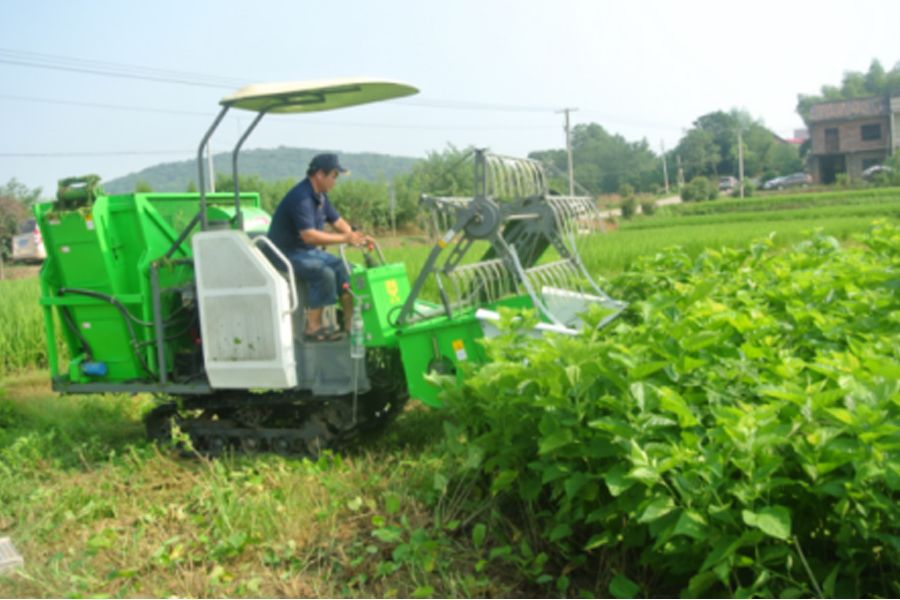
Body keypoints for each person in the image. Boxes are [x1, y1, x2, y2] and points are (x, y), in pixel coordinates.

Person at [266, 153, 373, 342]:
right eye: (334, 176)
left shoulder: (320, 197)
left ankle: (350, 324)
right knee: (324, 273)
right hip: (285, 252)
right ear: (320, 174)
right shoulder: (301, 198)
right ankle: (313, 326)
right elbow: (309, 236)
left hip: (303, 251)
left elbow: (338, 221)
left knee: (343, 267)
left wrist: (357, 237)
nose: (335, 181)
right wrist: (344, 238)